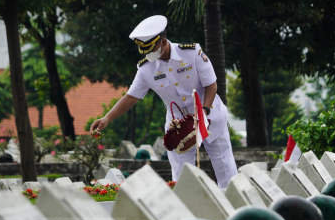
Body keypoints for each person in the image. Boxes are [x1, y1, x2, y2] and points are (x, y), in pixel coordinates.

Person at [90, 15, 237, 188]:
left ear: (164, 41)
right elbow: (130, 97)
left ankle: (233, 209)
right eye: (145, 50)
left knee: (225, 170)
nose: (149, 54)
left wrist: (203, 112)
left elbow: (211, 84)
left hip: (209, 116)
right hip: (178, 127)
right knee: (182, 178)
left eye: (152, 49)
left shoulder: (191, 53)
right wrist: (107, 118)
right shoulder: (146, 69)